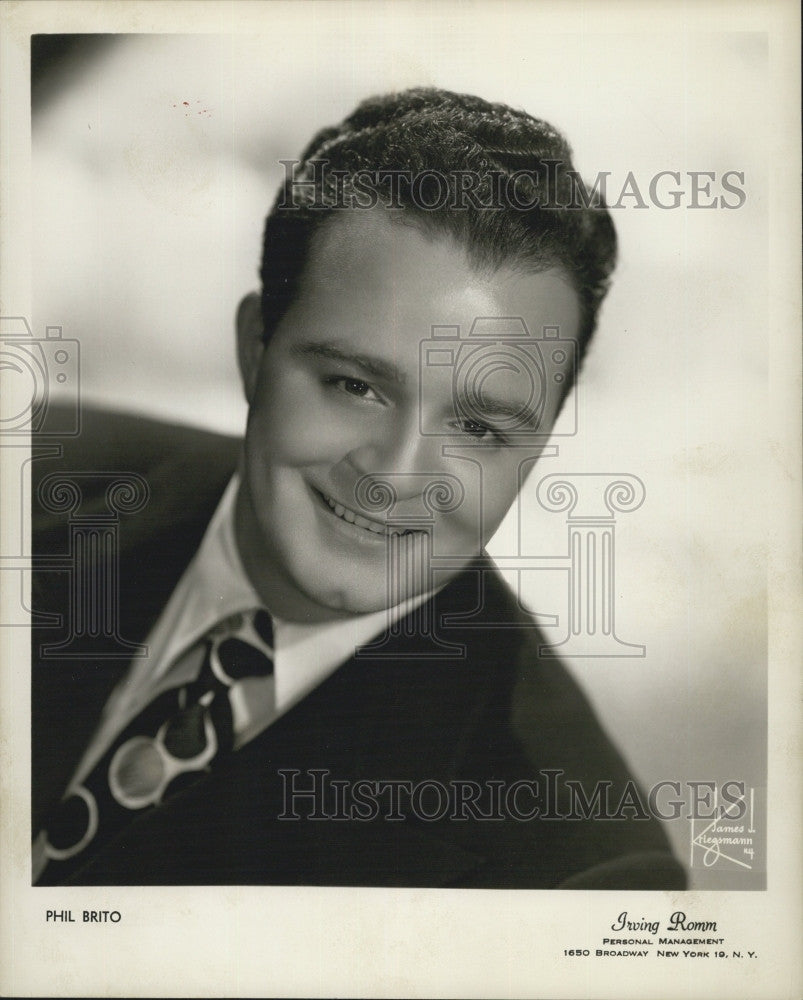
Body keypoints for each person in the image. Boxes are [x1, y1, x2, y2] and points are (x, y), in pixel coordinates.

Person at [31, 88, 685, 888]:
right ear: (254, 348)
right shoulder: (32, 473)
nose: (394, 476)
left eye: (478, 430)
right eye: (353, 386)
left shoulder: (572, 867)